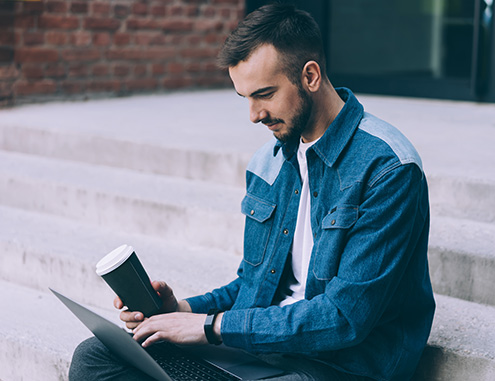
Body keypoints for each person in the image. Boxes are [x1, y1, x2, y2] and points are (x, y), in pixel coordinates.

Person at [69, 4, 435, 380]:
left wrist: (210, 328)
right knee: (98, 355)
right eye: (245, 97)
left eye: (264, 94)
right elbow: (254, 283)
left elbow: (344, 318)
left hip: (335, 366)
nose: (254, 115)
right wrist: (182, 309)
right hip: (260, 352)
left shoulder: (387, 168)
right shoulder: (270, 162)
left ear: (310, 76)